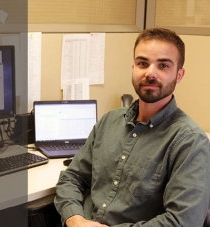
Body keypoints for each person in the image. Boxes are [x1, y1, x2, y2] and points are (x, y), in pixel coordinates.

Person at [54, 28, 210, 227]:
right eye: (142, 63)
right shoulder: (109, 122)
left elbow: (182, 222)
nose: (150, 73)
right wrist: (75, 219)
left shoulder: (190, 141)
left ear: (179, 75)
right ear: (133, 67)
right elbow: (72, 178)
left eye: (163, 65)